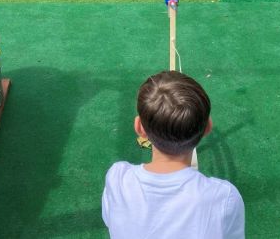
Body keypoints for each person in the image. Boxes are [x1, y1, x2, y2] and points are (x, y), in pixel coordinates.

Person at [102, 71, 244, 239]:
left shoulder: (117, 178)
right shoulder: (225, 197)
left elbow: (109, 219)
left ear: (140, 128)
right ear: (208, 127)